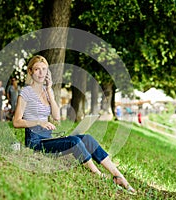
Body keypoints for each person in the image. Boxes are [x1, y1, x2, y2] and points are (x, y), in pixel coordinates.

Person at [13, 55, 136, 193]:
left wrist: (49, 91)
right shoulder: (26, 92)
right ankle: (98, 175)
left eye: (44, 69)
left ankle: (118, 175)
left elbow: (56, 116)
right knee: (74, 141)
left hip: (48, 138)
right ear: (30, 71)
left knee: (87, 138)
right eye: (37, 69)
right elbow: (16, 122)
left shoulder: (48, 92)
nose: (41, 73)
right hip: (35, 142)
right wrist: (38, 122)